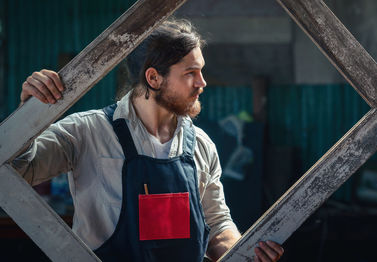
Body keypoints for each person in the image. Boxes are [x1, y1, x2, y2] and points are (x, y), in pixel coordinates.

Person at [12, 19, 284, 262]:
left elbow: (217, 224)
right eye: (190, 73)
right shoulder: (86, 132)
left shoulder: (201, 145)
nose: (202, 83)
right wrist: (27, 117)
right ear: (154, 78)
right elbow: (18, 170)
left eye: (201, 71)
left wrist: (245, 253)